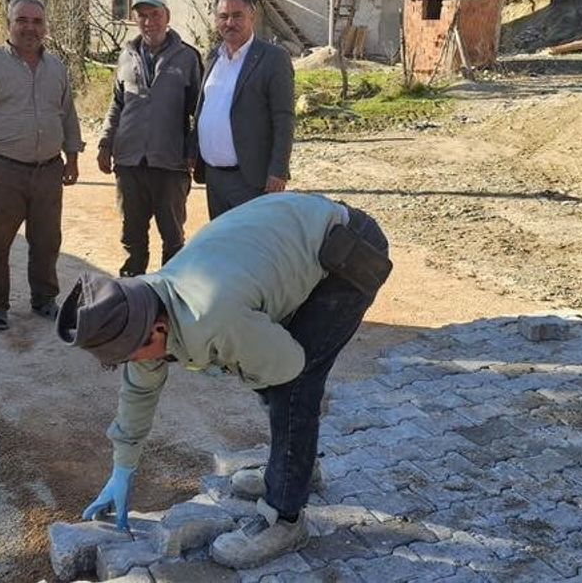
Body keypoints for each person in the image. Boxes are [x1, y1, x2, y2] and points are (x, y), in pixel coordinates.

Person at [58, 192, 392, 569]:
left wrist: (239, 362)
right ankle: (295, 469)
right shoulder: (146, 306)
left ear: (155, 331)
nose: (130, 365)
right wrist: (123, 468)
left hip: (346, 253)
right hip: (293, 233)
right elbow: (139, 389)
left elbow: (288, 367)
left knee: (291, 389)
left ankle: (285, 517)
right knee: (270, 370)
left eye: (129, 356)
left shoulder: (212, 317)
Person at [0, 0, 84, 330]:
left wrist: (72, 157)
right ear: (9, 25)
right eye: (22, 20)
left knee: (46, 241)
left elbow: (68, 114)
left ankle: (44, 299)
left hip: (48, 170)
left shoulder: (56, 67)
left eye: (37, 21)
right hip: (3, 171)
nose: (30, 27)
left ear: (45, 26)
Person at [97, 0, 203, 278]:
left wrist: (193, 150)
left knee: (172, 236)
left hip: (170, 162)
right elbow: (117, 104)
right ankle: (133, 290)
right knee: (132, 234)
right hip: (130, 162)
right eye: (142, 15)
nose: (149, 21)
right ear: (135, 20)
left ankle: (169, 295)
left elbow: (200, 110)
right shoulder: (126, 56)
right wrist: (106, 143)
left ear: (167, 17)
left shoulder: (187, 58)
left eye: (155, 14)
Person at [192, 0, 295, 219]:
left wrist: (278, 171)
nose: (230, 22)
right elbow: (203, 108)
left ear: (252, 16)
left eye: (237, 16)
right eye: (223, 16)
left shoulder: (273, 58)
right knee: (223, 245)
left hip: (251, 179)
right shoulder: (213, 57)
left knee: (251, 247)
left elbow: (284, 117)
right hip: (214, 178)